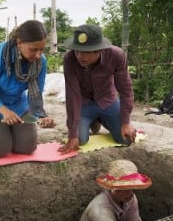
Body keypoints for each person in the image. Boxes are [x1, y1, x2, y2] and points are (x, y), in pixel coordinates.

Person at [0, 20, 55, 157]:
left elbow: (36, 95)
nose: (39, 55)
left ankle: (4, 130)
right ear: (19, 43)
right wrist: (4, 111)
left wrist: (41, 116)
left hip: (16, 105)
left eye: (42, 49)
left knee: (27, 148)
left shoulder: (41, 62)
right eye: (34, 49)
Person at [59, 24, 137, 153]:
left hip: (108, 102)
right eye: (77, 51)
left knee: (126, 139)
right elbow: (73, 95)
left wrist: (126, 122)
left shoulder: (116, 56)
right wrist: (72, 134)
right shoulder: (69, 59)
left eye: (85, 52)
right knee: (79, 140)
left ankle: (100, 119)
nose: (79, 56)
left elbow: (125, 90)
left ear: (99, 50)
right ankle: (91, 120)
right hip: (83, 104)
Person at [73, 159, 151, 221]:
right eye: (126, 189)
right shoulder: (100, 212)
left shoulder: (129, 198)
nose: (131, 193)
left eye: (132, 188)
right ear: (114, 189)